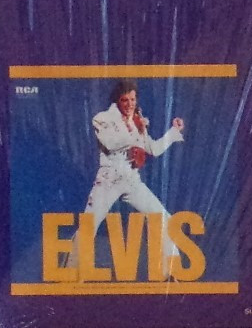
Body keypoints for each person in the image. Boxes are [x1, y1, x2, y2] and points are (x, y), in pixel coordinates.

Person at [66, 79, 185, 279]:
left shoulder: (136, 121)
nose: (130, 104)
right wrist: (134, 128)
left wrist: (173, 132)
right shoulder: (102, 119)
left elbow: (153, 149)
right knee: (88, 226)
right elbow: (110, 143)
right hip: (109, 181)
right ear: (117, 101)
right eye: (125, 100)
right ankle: (70, 276)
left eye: (133, 99)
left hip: (131, 181)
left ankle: (171, 274)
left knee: (163, 217)